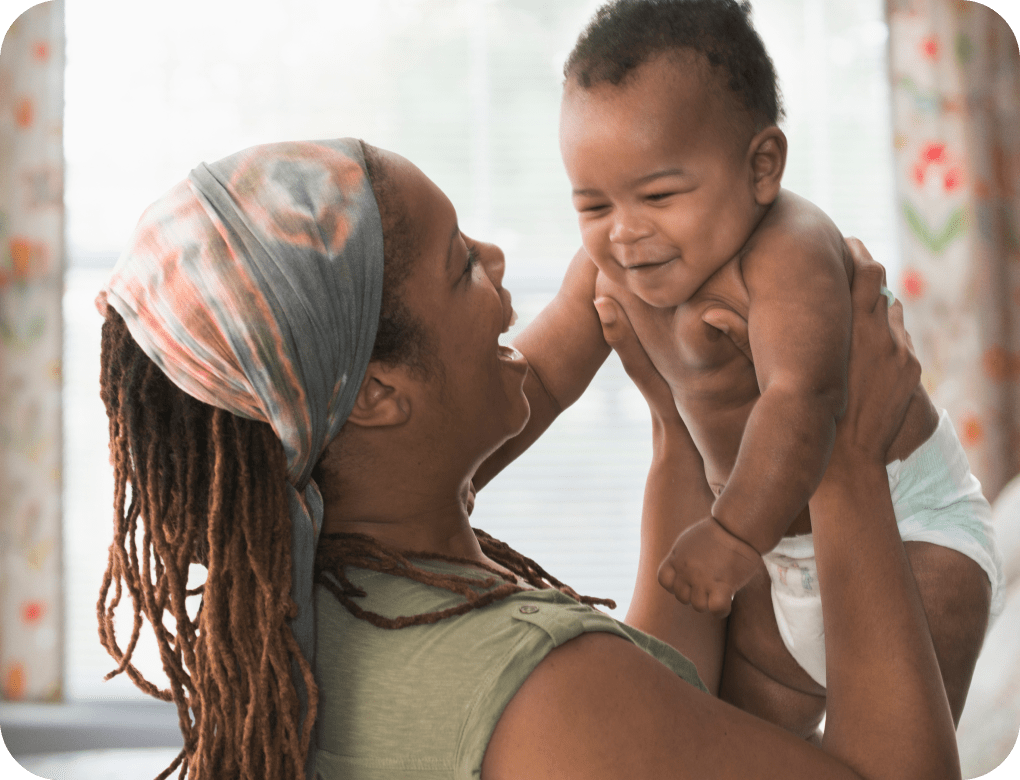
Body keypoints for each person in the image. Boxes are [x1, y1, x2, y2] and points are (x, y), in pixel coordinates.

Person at [95, 136, 959, 780]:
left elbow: (664, 722)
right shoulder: (542, 687)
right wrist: (840, 454)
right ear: (375, 395)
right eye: (462, 263)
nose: (500, 259)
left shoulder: (313, 596)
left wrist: (678, 430)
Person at [474, 0, 1001, 738]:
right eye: (593, 203)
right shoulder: (610, 268)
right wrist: (457, 474)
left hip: (908, 531)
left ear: (761, 167)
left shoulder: (789, 251)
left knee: (901, 736)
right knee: (741, 744)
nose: (624, 231)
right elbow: (540, 379)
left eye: (658, 195)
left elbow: (802, 398)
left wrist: (730, 535)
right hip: (772, 554)